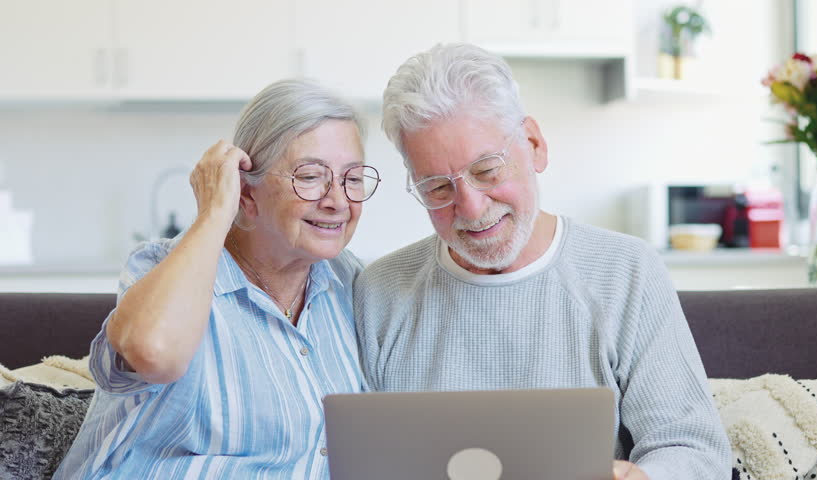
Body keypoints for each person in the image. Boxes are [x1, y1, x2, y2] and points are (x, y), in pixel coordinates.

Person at [354, 43, 731, 480]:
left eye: (487, 170)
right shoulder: (379, 291)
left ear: (533, 144)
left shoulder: (627, 272)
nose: (472, 209)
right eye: (438, 188)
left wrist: (645, 477)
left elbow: (694, 449)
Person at [55, 79, 380, 479]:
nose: (337, 200)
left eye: (353, 178)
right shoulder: (163, 267)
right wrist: (214, 213)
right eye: (310, 176)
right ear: (245, 191)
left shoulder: (350, 282)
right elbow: (153, 352)